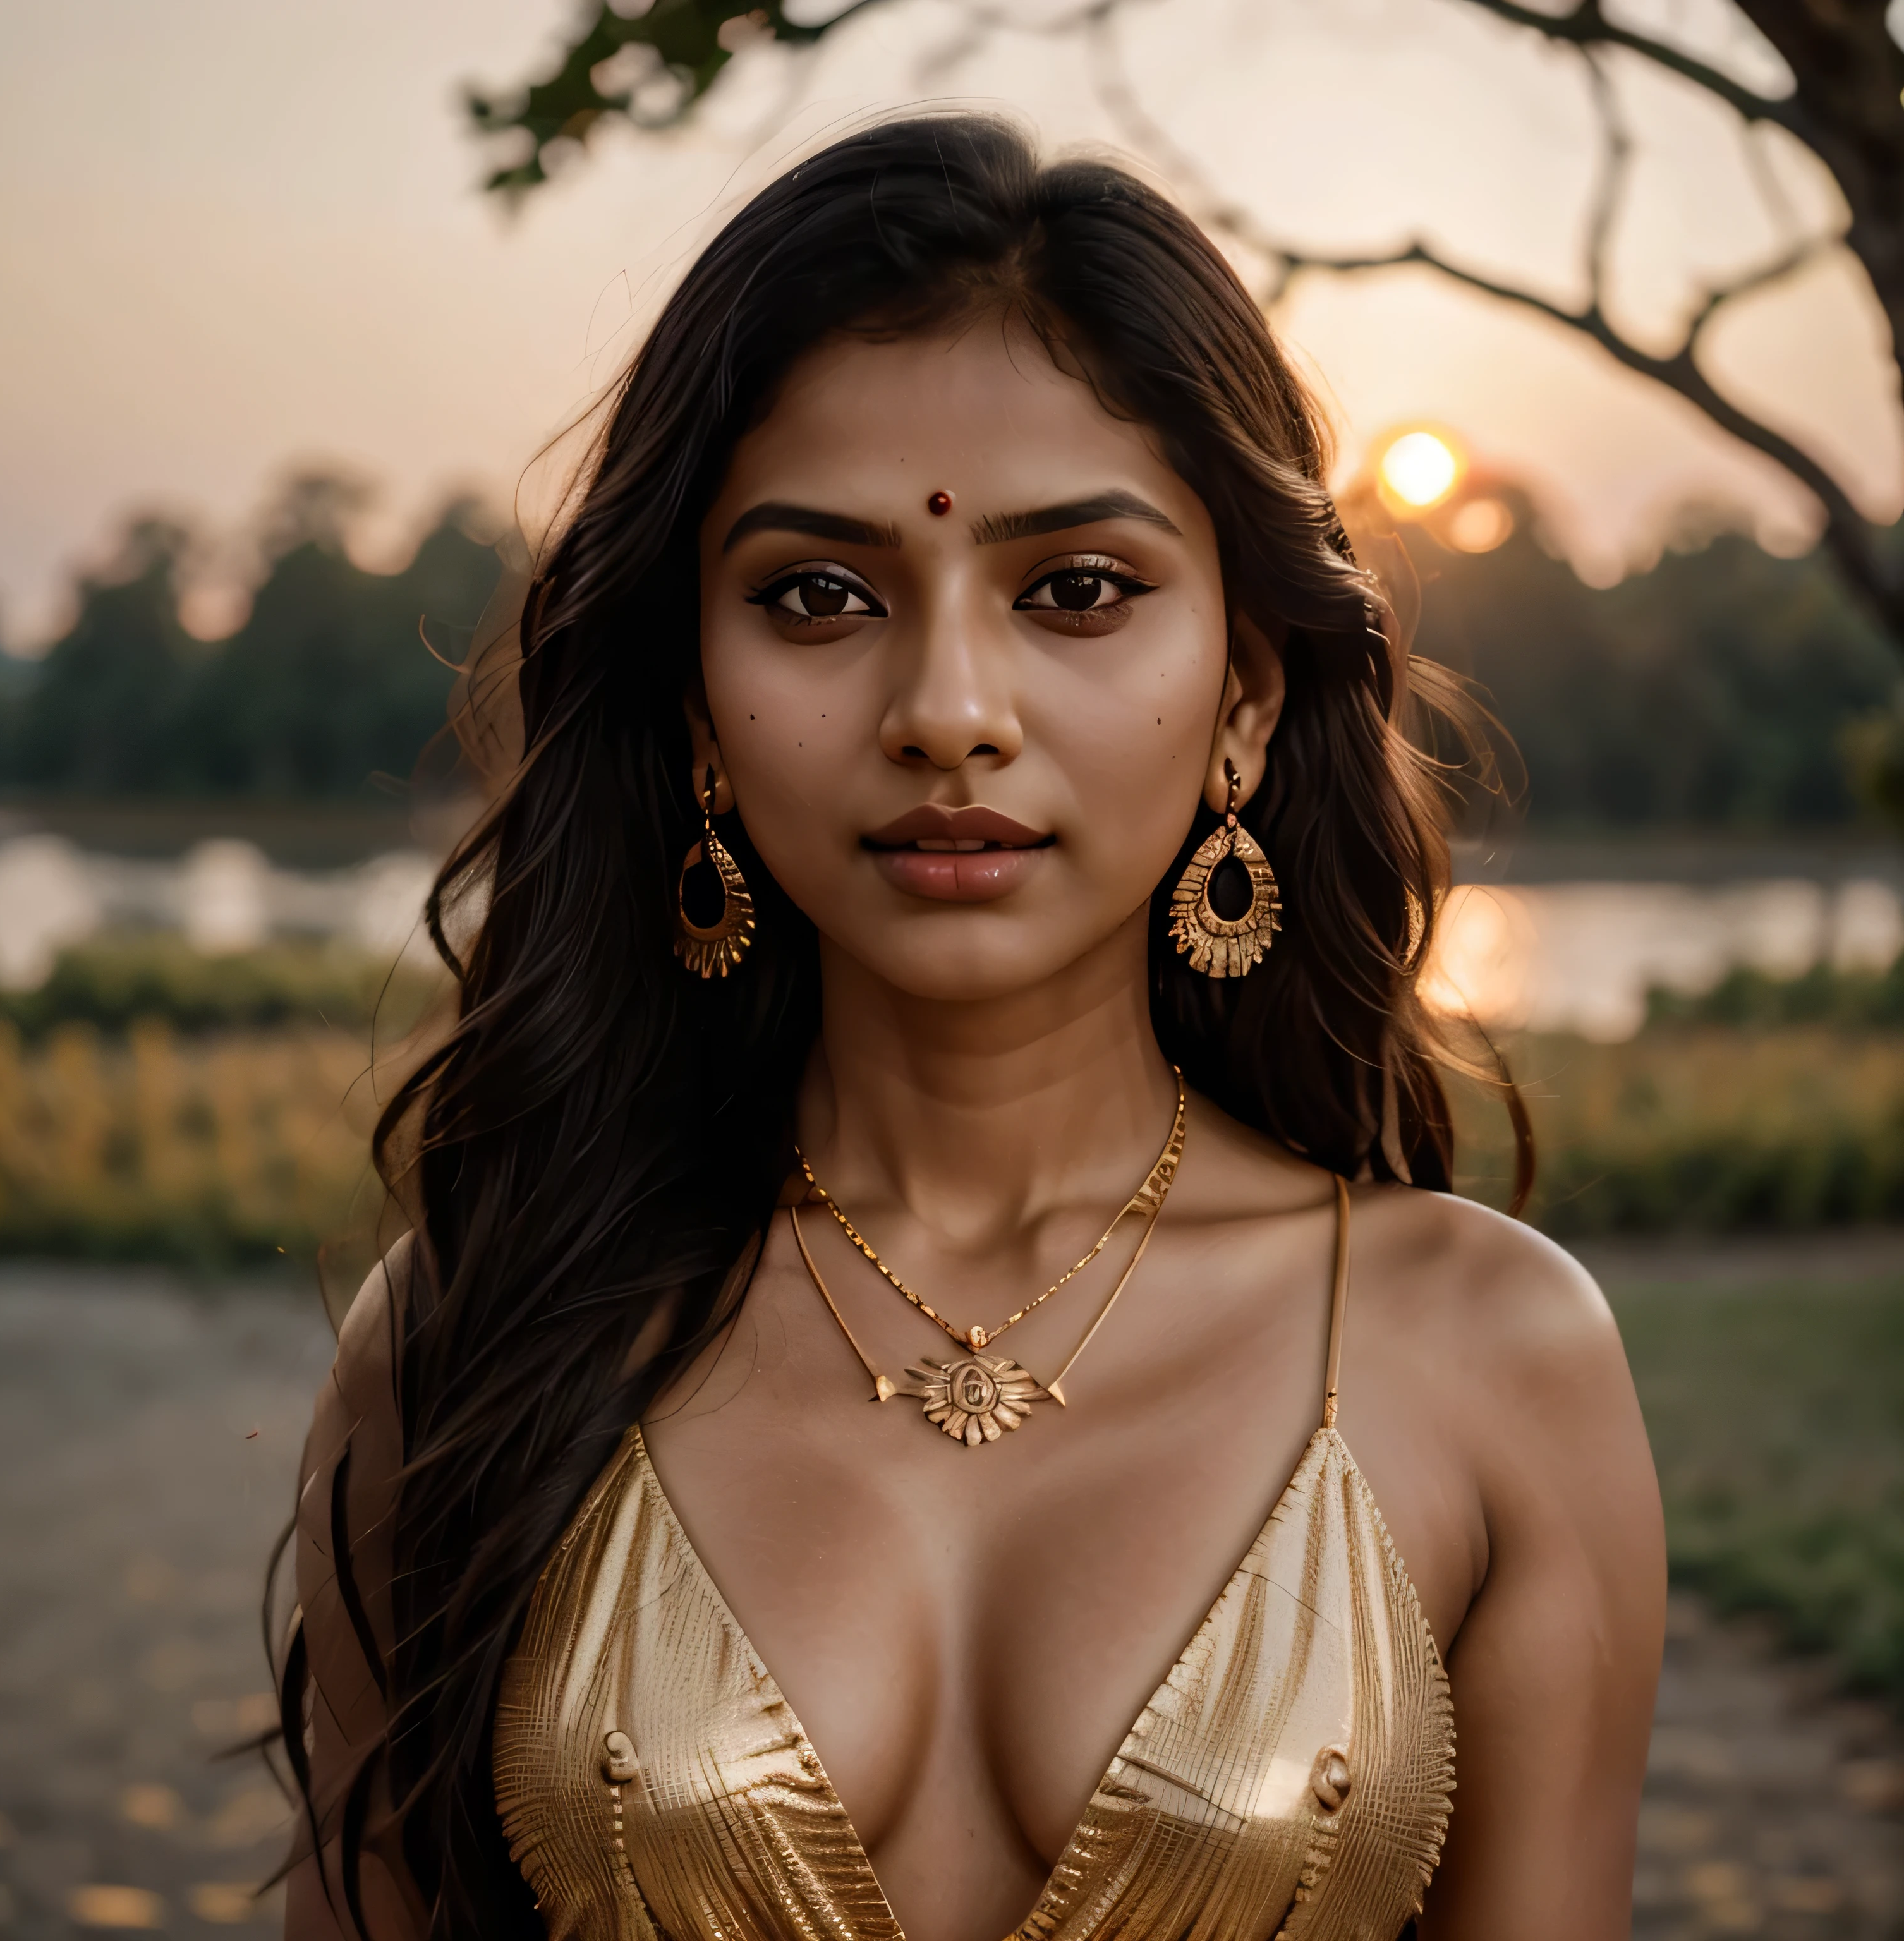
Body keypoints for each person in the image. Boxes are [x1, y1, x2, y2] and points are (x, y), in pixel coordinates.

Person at [279, 113, 1664, 1941]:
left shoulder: (1489, 1360)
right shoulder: (482, 1333)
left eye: (1076, 590)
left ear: (1243, 692)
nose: (947, 708)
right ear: (697, 703)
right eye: (818, 596)